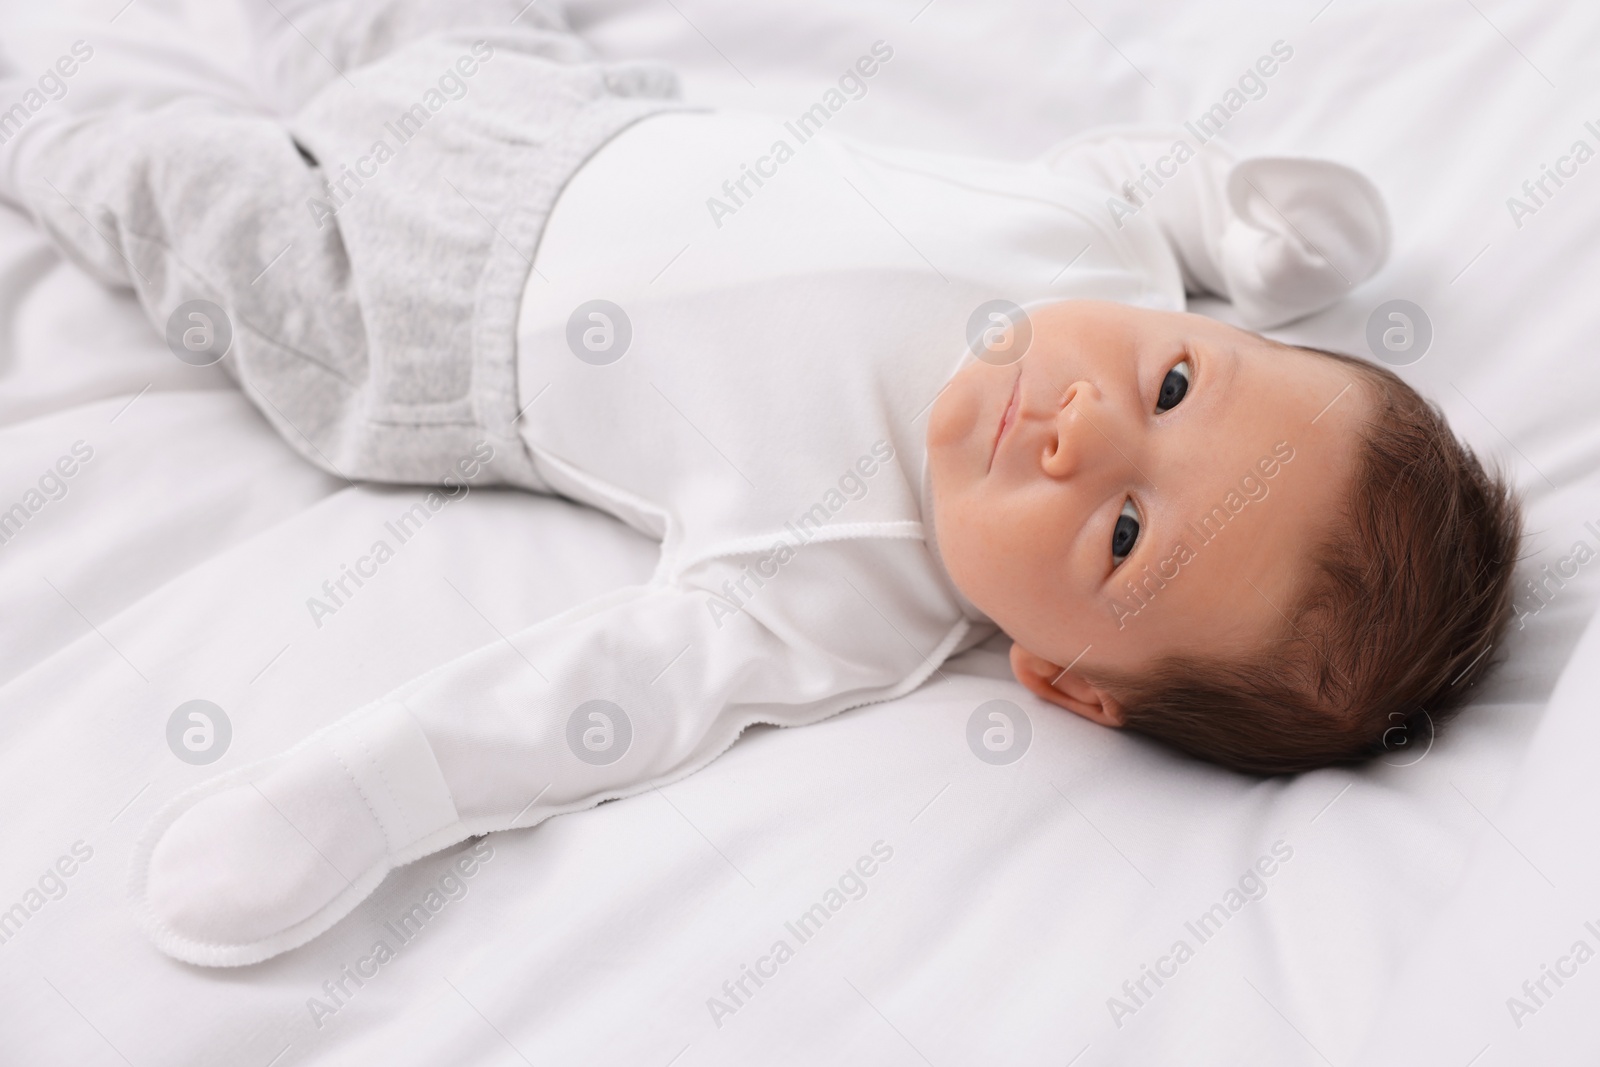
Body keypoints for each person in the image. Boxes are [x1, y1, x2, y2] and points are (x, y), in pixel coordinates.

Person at [0, 0, 1518, 966]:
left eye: (1124, 533)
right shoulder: (1101, 254)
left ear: (1066, 681)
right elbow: (1141, 168)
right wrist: (1245, 218)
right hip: (556, 106)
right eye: (1178, 383)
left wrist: (349, 802)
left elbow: (583, 702)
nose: (1082, 427)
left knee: (148, 184)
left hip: (395, 310)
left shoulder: (845, 592)